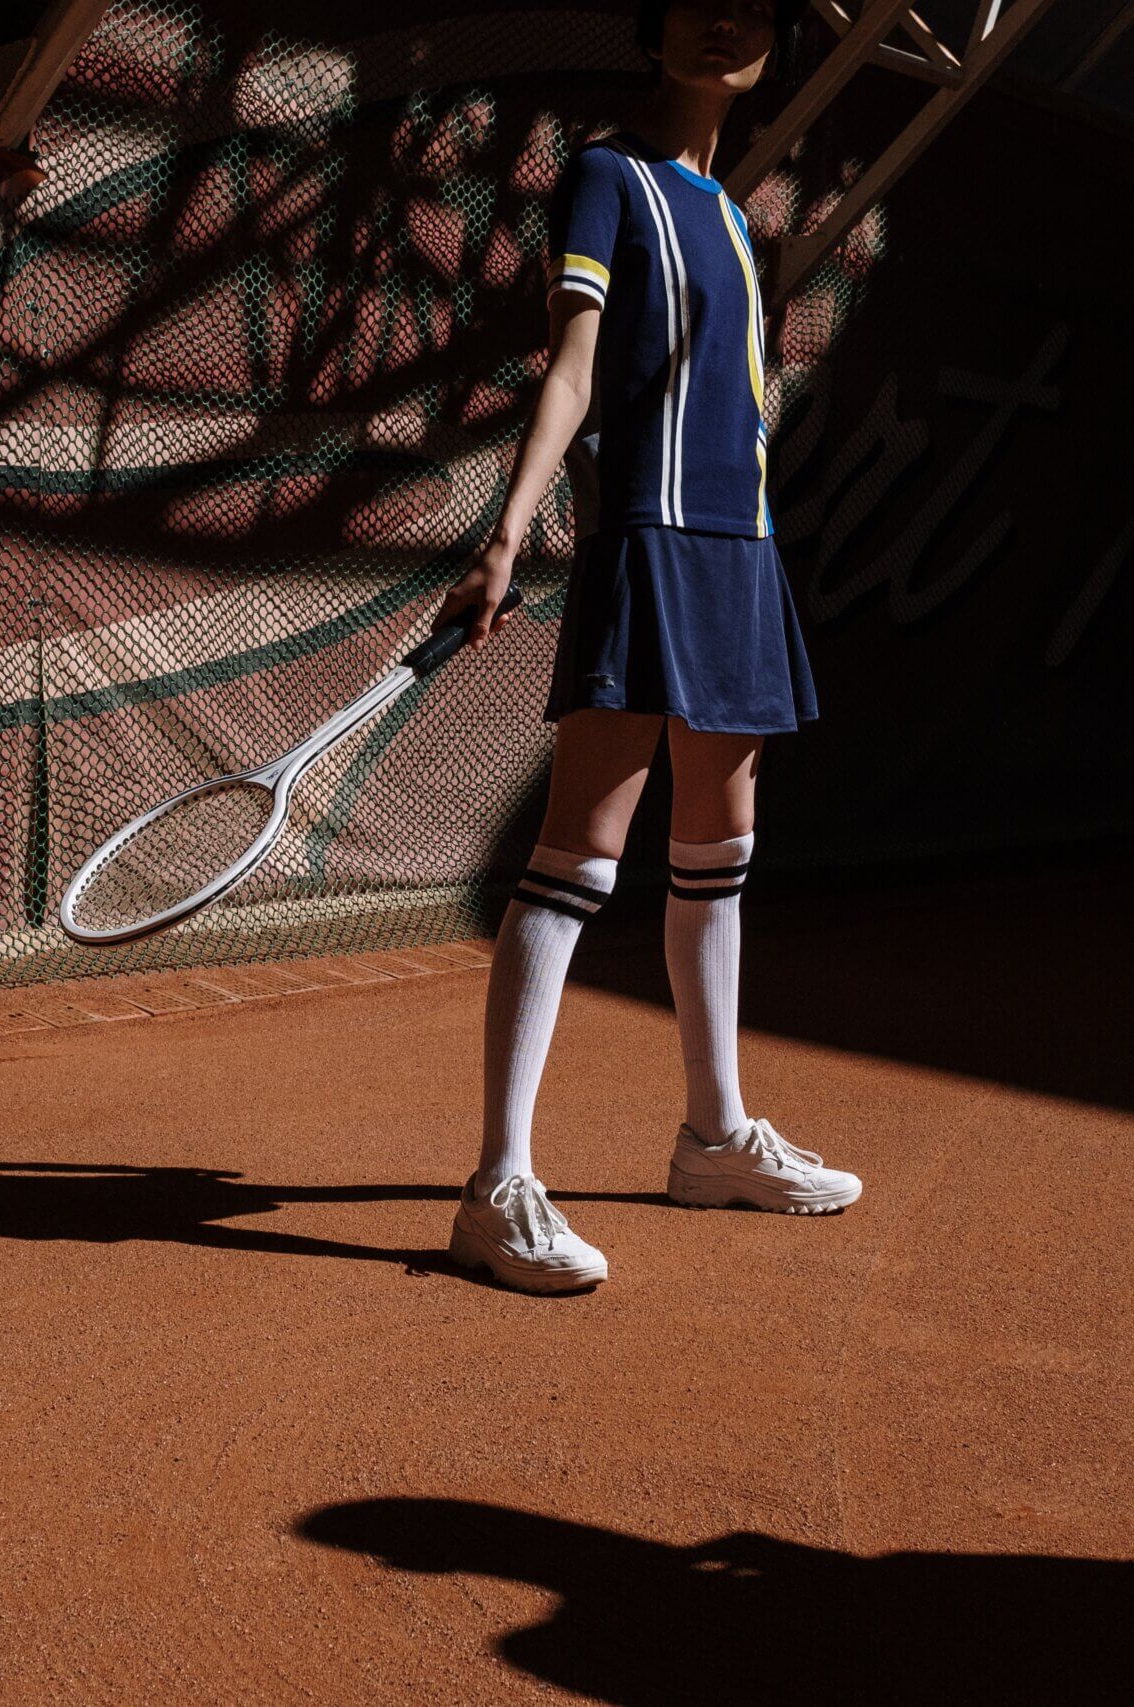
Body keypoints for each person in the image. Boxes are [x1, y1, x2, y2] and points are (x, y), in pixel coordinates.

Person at [432, 0, 860, 1295]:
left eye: (748, 2)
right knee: (575, 857)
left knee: (717, 850)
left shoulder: (736, 218)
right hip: (649, 543)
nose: (721, 16)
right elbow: (569, 369)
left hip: (739, 557)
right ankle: (496, 1185)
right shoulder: (607, 180)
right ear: (653, 26)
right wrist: (509, 528)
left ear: (773, 45)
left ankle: (715, 1137)